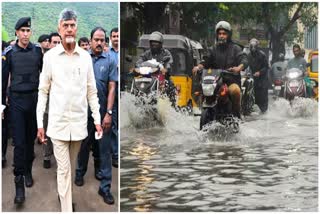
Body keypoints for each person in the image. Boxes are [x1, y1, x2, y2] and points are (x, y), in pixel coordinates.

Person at [36, 9, 102, 212]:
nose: (69, 29)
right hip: (57, 125)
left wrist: (97, 118)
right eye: (65, 26)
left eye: (72, 25)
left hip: (79, 125)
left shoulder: (85, 58)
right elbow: (43, 91)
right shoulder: (50, 58)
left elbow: (91, 91)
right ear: (59, 29)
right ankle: (66, 208)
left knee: (70, 170)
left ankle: (64, 193)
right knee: (64, 170)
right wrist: (40, 123)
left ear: (77, 27)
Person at [2, 17, 43, 204]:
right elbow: (3, 82)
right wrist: (2, 105)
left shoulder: (37, 51)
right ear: (17, 32)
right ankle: (18, 183)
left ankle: (27, 170)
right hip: (17, 101)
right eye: (22, 30)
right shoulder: (9, 53)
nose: (26, 34)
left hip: (33, 101)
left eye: (28, 30)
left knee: (29, 142)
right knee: (18, 144)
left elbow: (44, 76)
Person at [75, 26, 117, 205]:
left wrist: (108, 113)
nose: (99, 43)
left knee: (104, 149)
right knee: (83, 145)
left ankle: (105, 187)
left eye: (102, 40)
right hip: (84, 113)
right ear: (90, 41)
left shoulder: (110, 60)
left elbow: (112, 87)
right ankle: (79, 172)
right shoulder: (82, 59)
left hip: (102, 113)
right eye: (96, 40)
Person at [192, 21, 248, 118]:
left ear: (229, 35)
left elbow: (243, 59)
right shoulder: (212, 49)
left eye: (224, 34)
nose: (221, 36)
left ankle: (236, 116)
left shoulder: (236, 48)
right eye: (220, 33)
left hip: (231, 81)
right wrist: (199, 66)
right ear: (217, 35)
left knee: (235, 91)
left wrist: (238, 68)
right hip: (215, 82)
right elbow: (206, 60)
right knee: (201, 90)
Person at [136, 31, 176, 105]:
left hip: (162, 76)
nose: (154, 44)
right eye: (152, 42)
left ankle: (172, 104)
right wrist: (138, 66)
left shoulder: (166, 53)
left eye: (156, 42)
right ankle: (135, 98)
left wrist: (166, 68)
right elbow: (140, 60)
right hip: (148, 75)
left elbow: (170, 61)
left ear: (161, 43)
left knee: (171, 84)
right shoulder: (147, 53)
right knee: (136, 81)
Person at [247, 38, 269, 113]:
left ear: (257, 47)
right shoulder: (248, 56)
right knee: (253, 95)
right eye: (251, 46)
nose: (253, 48)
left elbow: (266, 67)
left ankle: (264, 112)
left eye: (254, 46)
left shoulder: (262, 55)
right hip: (253, 78)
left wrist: (259, 72)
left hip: (262, 79)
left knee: (263, 97)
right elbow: (247, 66)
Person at [108, 27, 119, 168]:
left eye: (118, 36)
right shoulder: (107, 54)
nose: (116, 38)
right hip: (111, 92)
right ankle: (115, 154)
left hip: (122, 89)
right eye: (114, 36)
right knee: (113, 125)